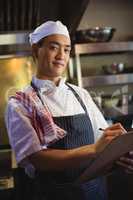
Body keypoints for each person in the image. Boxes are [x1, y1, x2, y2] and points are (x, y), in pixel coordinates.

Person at [4, 20, 130, 200]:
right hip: (55, 194)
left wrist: (121, 157)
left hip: (96, 190)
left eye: (66, 49)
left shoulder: (81, 94)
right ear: (35, 50)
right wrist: (94, 150)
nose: (61, 56)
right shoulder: (20, 103)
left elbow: (104, 140)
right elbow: (38, 159)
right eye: (53, 48)